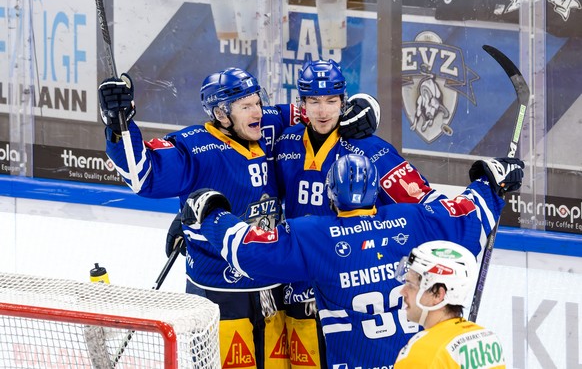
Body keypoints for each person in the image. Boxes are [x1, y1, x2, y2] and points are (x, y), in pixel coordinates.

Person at [99, 67, 379, 369]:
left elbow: (322, 107)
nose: (257, 110)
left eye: (257, 102)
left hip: (271, 287)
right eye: (246, 106)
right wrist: (119, 124)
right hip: (220, 291)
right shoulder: (193, 146)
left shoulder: (267, 124)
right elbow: (143, 175)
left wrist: (365, 107)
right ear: (221, 113)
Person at [179, 154, 524, 368]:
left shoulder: (315, 235)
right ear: (376, 191)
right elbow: (470, 216)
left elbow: (248, 252)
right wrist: (490, 183)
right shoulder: (414, 220)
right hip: (411, 359)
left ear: (330, 196)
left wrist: (210, 215)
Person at [273, 59, 442, 368]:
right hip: (297, 288)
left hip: (350, 291)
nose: (323, 111)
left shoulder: (368, 147)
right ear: (302, 103)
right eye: (314, 101)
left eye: (331, 101)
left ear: (343, 101)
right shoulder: (285, 142)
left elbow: (422, 204)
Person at [394, 240, 506, 367]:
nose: (403, 291)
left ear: (438, 295)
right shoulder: (488, 340)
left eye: (411, 285)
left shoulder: (422, 351)